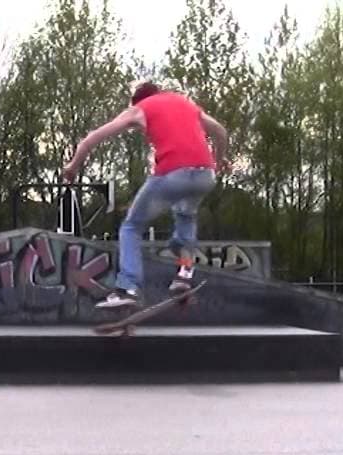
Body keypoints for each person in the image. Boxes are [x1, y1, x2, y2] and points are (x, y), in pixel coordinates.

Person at [62, 81, 228, 308]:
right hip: (205, 175)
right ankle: (184, 274)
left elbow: (92, 138)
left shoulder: (141, 108)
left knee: (131, 227)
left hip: (172, 174)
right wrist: (219, 161)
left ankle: (128, 287)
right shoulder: (186, 103)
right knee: (186, 217)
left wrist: (72, 167)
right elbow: (220, 131)